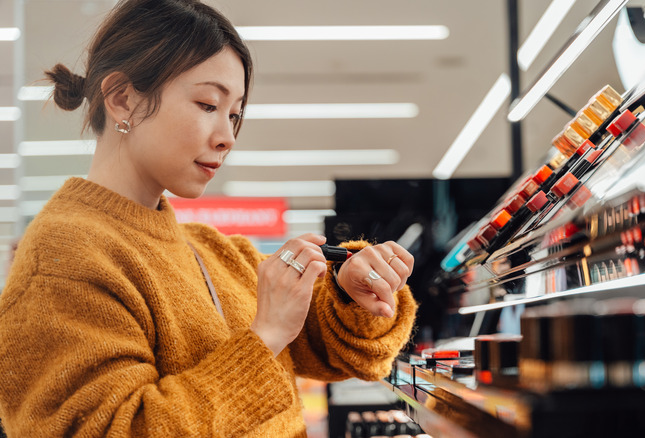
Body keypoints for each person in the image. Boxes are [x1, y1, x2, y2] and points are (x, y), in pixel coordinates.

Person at [0, 0, 417, 436]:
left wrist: (351, 294)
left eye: (235, 114)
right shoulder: (62, 256)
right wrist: (264, 337)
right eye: (207, 104)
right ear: (122, 99)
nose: (227, 137)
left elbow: (338, 352)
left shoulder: (214, 250)